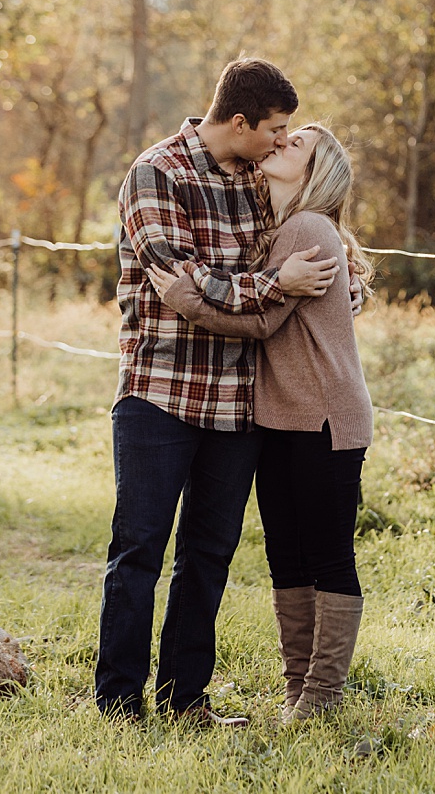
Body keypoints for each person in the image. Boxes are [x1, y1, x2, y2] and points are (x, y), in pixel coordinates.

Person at [96, 58, 343, 726]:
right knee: (140, 547)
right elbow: (181, 287)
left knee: (208, 556)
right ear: (240, 122)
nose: (281, 141)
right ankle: (120, 701)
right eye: (276, 128)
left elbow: (288, 245)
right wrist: (274, 286)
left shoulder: (259, 178)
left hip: (238, 402)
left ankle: (185, 700)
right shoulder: (158, 173)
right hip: (160, 393)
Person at [147, 122, 374, 724]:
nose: (281, 143)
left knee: (327, 557)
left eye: (296, 144)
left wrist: (186, 300)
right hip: (281, 417)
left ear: (315, 171)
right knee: (287, 559)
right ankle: (298, 689)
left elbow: (262, 323)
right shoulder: (281, 227)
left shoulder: (305, 228)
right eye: (283, 134)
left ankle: (321, 696)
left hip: (325, 417)